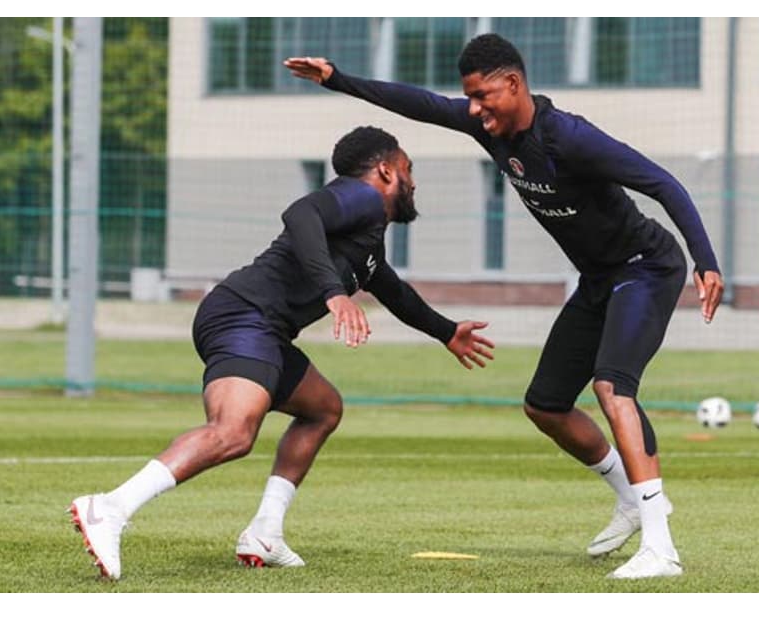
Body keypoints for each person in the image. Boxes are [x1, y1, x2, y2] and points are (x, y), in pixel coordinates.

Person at [285, 33, 724, 579]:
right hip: (598, 279)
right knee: (546, 405)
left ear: (512, 84)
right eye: (468, 99)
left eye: (482, 96)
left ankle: (661, 548)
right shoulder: (487, 128)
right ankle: (634, 499)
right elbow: (420, 104)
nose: (473, 109)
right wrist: (338, 79)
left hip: (647, 268)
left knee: (614, 388)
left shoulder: (570, 137)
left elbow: (664, 184)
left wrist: (706, 261)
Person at [69, 126, 495, 580]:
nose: (413, 181)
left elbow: (394, 291)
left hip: (266, 329)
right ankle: (110, 508)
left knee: (323, 409)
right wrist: (334, 294)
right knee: (233, 433)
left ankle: (265, 532)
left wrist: (447, 332)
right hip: (243, 315)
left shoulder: (368, 238)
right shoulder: (361, 198)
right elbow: (301, 213)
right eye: (408, 170)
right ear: (386, 170)